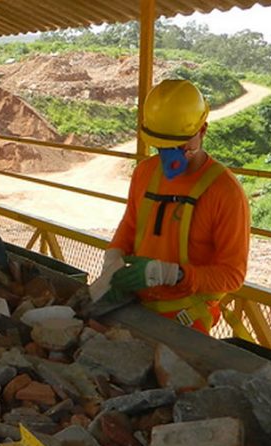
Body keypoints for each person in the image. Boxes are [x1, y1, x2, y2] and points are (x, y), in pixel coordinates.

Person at [104, 79, 250, 334]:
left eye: (179, 145)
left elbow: (232, 275)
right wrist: (114, 255)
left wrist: (172, 274)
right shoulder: (145, 172)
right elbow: (131, 223)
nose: (169, 155)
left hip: (186, 317)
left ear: (202, 130)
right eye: (161, 146)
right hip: (136, 306)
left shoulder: (225, 192)